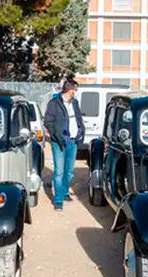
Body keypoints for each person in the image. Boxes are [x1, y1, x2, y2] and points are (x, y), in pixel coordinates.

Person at [43, 77, 85, 211]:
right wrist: (55, 135)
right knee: (59, 172)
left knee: (69, 172)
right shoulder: (54, 103)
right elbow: (48, 121)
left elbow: (79, 118)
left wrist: (81, 131)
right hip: (59, 142)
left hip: (73, 141)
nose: (76, 92)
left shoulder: (75, 103)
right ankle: (58, 200)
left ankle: (65, 192)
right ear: (70, 90)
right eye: (75, 90)